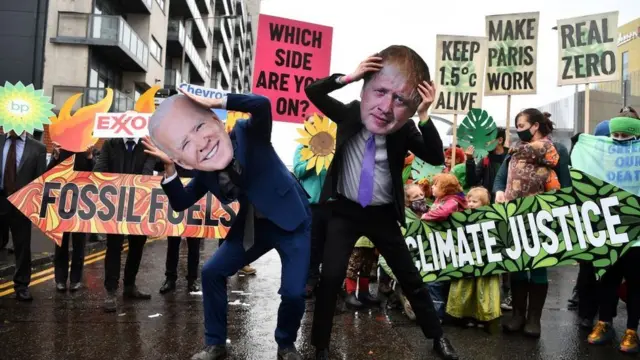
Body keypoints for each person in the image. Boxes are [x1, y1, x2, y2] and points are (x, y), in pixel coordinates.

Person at [305, 45, 458, 360]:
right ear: (365, 91)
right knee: (331, 277)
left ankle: (437, 337)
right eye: (380, 92)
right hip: (344, 211)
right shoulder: (349, 112)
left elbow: (433, 155)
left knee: (410, 277)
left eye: (400, 99)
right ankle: (320, 345)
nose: (386, 107)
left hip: (382, 215)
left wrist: (425, 113)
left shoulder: (404, 127)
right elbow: (313, 92)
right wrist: (349, 76)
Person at [143, 90, 311, 360]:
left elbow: (261, 104)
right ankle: (216, 344)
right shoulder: (204, 172)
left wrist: (219, 100)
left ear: (216, 121)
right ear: (184, 160)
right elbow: (180, 202)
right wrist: (170, 171)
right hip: (253, 228)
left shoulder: (249, 133)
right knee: (211, 272)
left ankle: (286, 344)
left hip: (291, 219)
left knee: (293, 293)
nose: (200, 143)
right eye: (185, 145)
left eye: (199, 127)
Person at [494, 109, 572, 338]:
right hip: (514, 216)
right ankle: (517, 316)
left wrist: (563, 213)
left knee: (538, 264)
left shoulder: (557, 149)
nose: (518, 129)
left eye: (521, 124)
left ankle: (534, 319)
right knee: (517, 265)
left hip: (542, 218)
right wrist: (499, 191)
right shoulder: (516, 150)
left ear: (535, 126)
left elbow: (566, 185)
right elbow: (501, 176)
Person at [586, 109, 640, 354]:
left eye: (625, 135)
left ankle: (632, 330)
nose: (619, 138)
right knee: (607, 280)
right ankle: (604, 322)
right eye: (615, 135)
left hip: (637, 236)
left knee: (636, 284)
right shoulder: (603, 161)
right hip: (609, 232)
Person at [93, 137, 156, 312]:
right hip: (115, 206)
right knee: (113, 247)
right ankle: (111, 292)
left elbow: (147, 173)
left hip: (139, 206)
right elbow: (99, 170)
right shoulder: (110, 144)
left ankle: (130, 286)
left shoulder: (147, 146)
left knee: (137, 246)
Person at [446, 187, 501, 333]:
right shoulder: (462, 217)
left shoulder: (490, 216)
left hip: (485, 260)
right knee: (466, 286)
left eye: (474, 201)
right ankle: (465, 315)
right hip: (467, 259)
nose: (470, 204)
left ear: (484, 203)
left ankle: (484, 317)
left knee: (484, 288)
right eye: (468, 201)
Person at [0, 130, 47, 301]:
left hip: (22, 202)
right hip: (0, 198)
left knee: (22, 246)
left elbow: (40, 178)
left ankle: (21, 285)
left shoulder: (38, 148)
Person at [48, 142, 95, 292]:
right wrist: (55, 158)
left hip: (81, 204)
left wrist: (89, 157)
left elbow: (96, 177)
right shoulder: (60, 149)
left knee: (79, 244)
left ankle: (76, 280)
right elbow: (47, 175)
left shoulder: (87, 149)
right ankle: (60, 280)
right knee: (61, 244)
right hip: (62, 203)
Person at [421, 173, 467, 321]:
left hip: (449, 247)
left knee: (436, 280)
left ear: (445, 189)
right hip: (441, 245)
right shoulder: (441, 199)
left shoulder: (452, 201)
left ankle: (438, 313)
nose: (432, 187)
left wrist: (426, 216)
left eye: (436, 185)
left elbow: (444, 212)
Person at [293, 115, 329, 298]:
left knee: (329, 245)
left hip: (331, 205)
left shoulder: (333, 147)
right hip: (311, 205)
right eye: (311, 126)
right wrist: (314, 155)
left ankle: (329, 282)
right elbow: (298, 171)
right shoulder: (303, 147)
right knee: (312, 244)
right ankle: (311, 279)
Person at [156, 162, 202, 294]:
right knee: (173, 241)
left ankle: (192, 279)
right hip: (176, 196)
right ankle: (170, 278)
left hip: (195, 198)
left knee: (194, 243)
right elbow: (157, 166)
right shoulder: (175, 152)